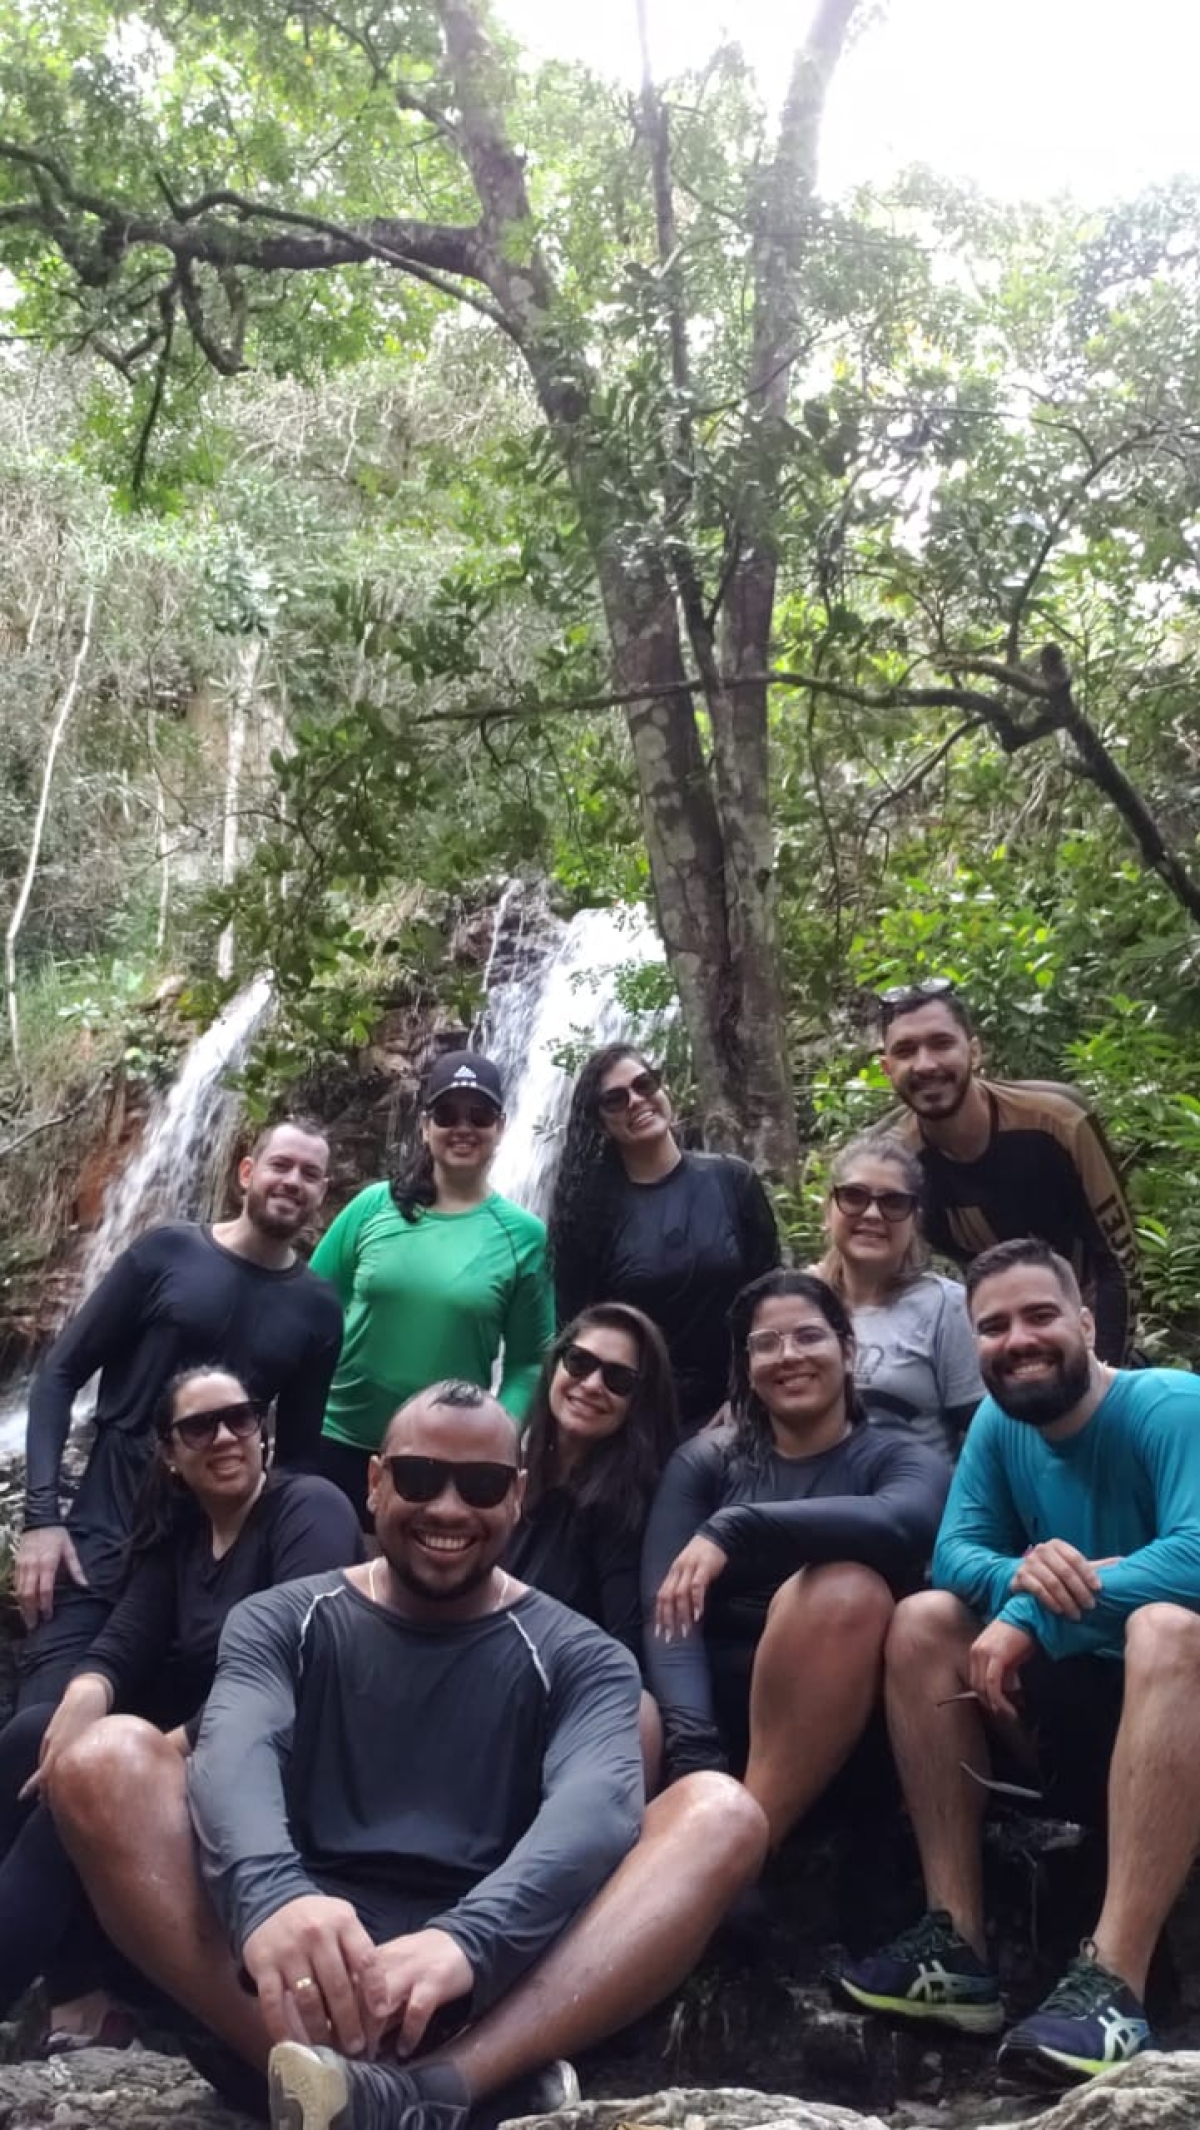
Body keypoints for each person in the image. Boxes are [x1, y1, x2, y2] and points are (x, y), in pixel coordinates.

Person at [46, 1381, 768, 2130]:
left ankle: (420, 2091)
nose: (448, 1509)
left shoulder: (585, 1656)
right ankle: (380, 2082)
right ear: (375, 1482)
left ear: (517, 1497)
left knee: (722, 1810)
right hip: (284, 1982)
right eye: (420, 1479)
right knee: (103, 1758)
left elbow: (596, 1811)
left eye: (481, 1485)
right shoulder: (281, 1619)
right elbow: (234, 1751)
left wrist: (468, 1939)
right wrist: (274, 1897)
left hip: (484, 1983)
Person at [834, 1237, 1200, 2089]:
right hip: (1072, 1721)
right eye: (993, 1327)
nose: (1019, 1340)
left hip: (1180, 1708)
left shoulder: (1170, 1406)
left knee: (1167, 1628)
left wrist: (1033, 1608)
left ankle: (1116, 1980)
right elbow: (957, 1551)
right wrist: (1020, 1578)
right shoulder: (1003, 1426)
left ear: (1086, 1320)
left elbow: (1195, 1556)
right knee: (926, 1619)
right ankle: (955, 1945)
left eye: (1040, 1316)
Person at [0, 1365, 362, 2042]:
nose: (225, 1436)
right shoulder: (187, 1536)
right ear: (168, 1453)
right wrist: (85, 1691)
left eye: (241, 1417)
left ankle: (69, 1989)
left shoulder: (308, 1508)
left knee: (82, 1785)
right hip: (208, 1755)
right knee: (31, 1735)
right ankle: (81, 1989)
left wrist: (146, 1757)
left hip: (282, 1773)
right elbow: (123, 1641)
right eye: (200, 1426)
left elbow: (299, 1663)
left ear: (263, 1431)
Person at [15, 1118, 342, 1706]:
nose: (293, 1181)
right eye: (281, 1165)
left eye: (310, 1174)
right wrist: (42, 1518)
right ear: (248, 1172)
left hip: (201, 1571)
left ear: (323, 1193)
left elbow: (295, 1460)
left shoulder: (318, 1310)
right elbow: (60, 1374)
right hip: (100, 1540)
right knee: (42, 1719)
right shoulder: (166, 1252)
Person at [642, 1270, 951, 1848]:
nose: (789, 1357)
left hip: (845, 1720)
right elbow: (667, 1614)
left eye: (809, 1336)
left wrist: (738, 1528)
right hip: (716, 1711)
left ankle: (729, 1856)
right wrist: (693, 1746)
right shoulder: (706, 1462)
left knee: (846, 1587)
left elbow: (905, 1523)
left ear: (848, 1349)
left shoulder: (897, 1458)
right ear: (748, 1369)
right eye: (766, 1344)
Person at [311, 1052, 553, 1525]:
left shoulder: (523, 1235)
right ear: (425, 1127)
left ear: (501, 1126)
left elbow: (528, 1361)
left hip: (444, 1459)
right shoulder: (372, 1206)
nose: (463, 1127)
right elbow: (310, 1306)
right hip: (336, 1438)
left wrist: (499, 1431)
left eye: (479, 1116)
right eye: (447, 1114)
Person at [879, 979, 1140, 1362]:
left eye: (941, 1043)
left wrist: (1105, 1373)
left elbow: (1119, 1262)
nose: (925, 1064)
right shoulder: (893, 1158)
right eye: (906, 1051)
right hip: (991, 1340)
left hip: (1082, 1326)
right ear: (887, 1068)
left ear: (974, 1051)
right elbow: (882, 1281)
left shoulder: (1057, 1120)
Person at [549, 1045, 780, 1433]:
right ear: (601, 1122)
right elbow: (577, 1331)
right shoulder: (589, 1212)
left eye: (644, 1084)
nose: (636, 1101)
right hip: (633, 1421)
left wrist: (747, 1393)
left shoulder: (732, 1180)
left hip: (738, 1410)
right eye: (615, 1099)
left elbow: (771, 1296)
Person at [506, 1304, 679, 1663]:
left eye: (618, 1380)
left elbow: (624, 1647)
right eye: (579, 1362)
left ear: (639, 1402)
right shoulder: (511, 1473)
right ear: (555, 1366)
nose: (592, 1385)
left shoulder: (628, 1512)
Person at [814, 1132, 982, 1457]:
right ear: (829, 1209)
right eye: (854, 1196)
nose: (873, 1214)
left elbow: (982, 1432)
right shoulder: (800, 1302)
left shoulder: (946, 1306)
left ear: (914, 1219)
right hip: (813, 1498)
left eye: (893, 1202)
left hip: (916, 1497)